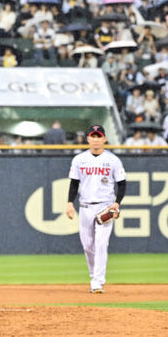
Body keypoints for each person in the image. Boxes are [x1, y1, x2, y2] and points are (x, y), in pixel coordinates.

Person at [65, 124, 126, 293]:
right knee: (87, 246)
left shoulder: (113, 160)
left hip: (104, 206)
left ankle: (98, 281)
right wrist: (70, 203)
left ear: (104, 139)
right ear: (88, 139)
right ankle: (94, 275)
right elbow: (74, 183)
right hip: (85, 207)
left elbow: (122, 184)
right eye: (93, 136)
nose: (96, 139)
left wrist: (117, 203)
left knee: (101, 244)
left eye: (99, 136)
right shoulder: (79, 159)